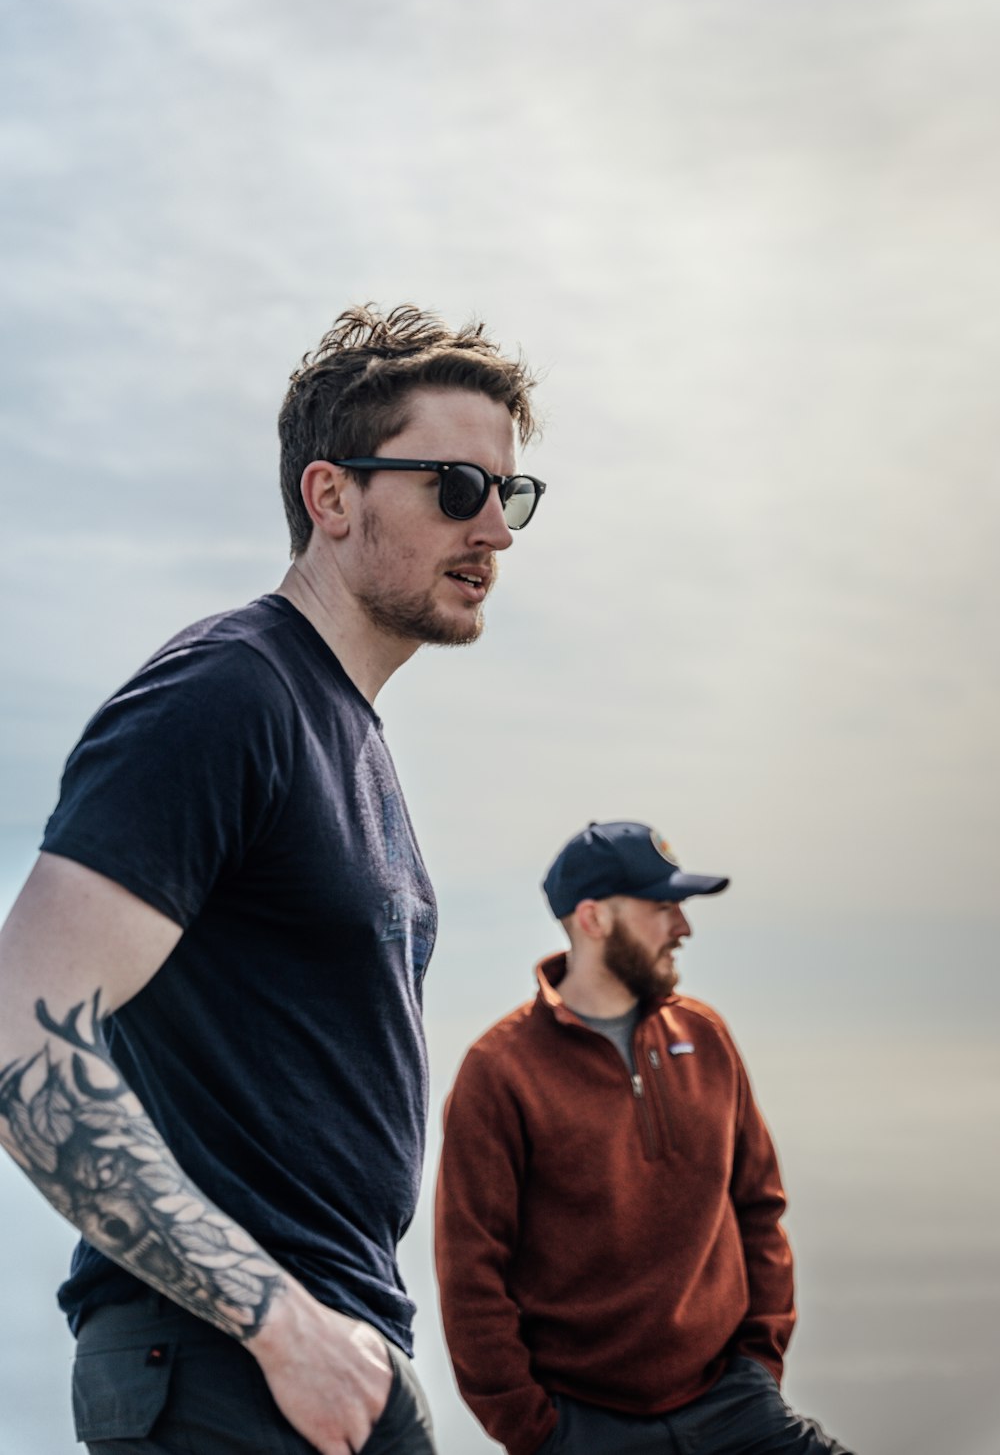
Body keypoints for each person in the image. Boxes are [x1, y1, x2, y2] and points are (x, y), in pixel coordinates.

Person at [0, 304, 544, 1455]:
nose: (495, 527)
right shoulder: (225, 694)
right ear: (331, 496)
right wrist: (277, 1324)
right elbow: (17, 1033)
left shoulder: (341, 731)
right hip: (226, 1364)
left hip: (333, 1354)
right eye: (455, 485)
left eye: (511, 493)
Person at [434, 819, 855, 1455]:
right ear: (593, 919)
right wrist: (538, 1432)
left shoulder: (705, 1036)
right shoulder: (500, 1071)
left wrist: (758, 1365)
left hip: (733, 1405)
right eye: (662, 908)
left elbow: (760, 1208)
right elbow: (469, 1271)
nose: (683, 929)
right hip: (584, 1428)